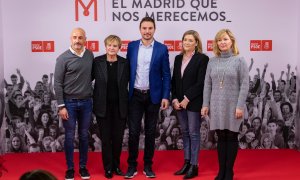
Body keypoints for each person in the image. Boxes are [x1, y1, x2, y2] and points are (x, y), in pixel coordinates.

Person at [125, 16, 171, 179]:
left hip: (154, 95)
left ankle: (148, 166)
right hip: (135, 96)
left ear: (154, 29)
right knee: (134, 132)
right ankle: (131, 166)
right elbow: (126, 72)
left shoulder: (162, 48)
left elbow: (166, 74)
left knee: (151, 132)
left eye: (150, 28)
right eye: (144, 28)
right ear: (140, 29)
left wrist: (166, 96)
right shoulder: (131, 47)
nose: (147, 31)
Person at [201, 29, 249, 180]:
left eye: (225, 39)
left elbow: (245, 85)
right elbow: (207, 84)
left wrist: (240, 106)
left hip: (234, 106)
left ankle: (229, 171)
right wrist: (205, 104)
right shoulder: (212, 61)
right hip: (216, 105)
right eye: (219, 40)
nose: (222, 42)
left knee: (231, 136)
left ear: (231, 41)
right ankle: (221, 170)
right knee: (220, 137)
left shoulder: (239, 60)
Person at [54, 27, 93, 180]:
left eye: (80, 37)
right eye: (75, 37)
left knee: (84, 136)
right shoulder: (62, 58)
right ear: (71, 39)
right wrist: (61, 106)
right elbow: (57, 83)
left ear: (85, 39)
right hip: (69, 103)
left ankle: (83, 167)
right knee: (69, 137)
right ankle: (70, 168)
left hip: (86, 103)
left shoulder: (90, 55)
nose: (77, 40)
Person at [171, 30, 208, 179]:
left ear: (196, 43)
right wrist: (174, 99)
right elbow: (174, 81)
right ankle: (186, 163)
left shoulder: (202, 59)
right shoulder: (178, 58)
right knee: (185, 133)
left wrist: (187, 98)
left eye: (190, 40)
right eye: (185, 40)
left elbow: (201, 83)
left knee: (193, 133)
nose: (186, 42)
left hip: (193, 102)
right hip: (179, 103)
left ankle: (194, 165)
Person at [92, 35, 129, 179]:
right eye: (109, 45)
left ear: (119, 48)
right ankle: (108, 168)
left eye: (115, 46)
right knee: (106, 139)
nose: (112, 48)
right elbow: (88, 79)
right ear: (105, 46)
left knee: (118, 139)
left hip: (120, 107)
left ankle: (116, 166)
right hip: (103, 107)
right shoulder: (97, 62)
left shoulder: (125, 63)